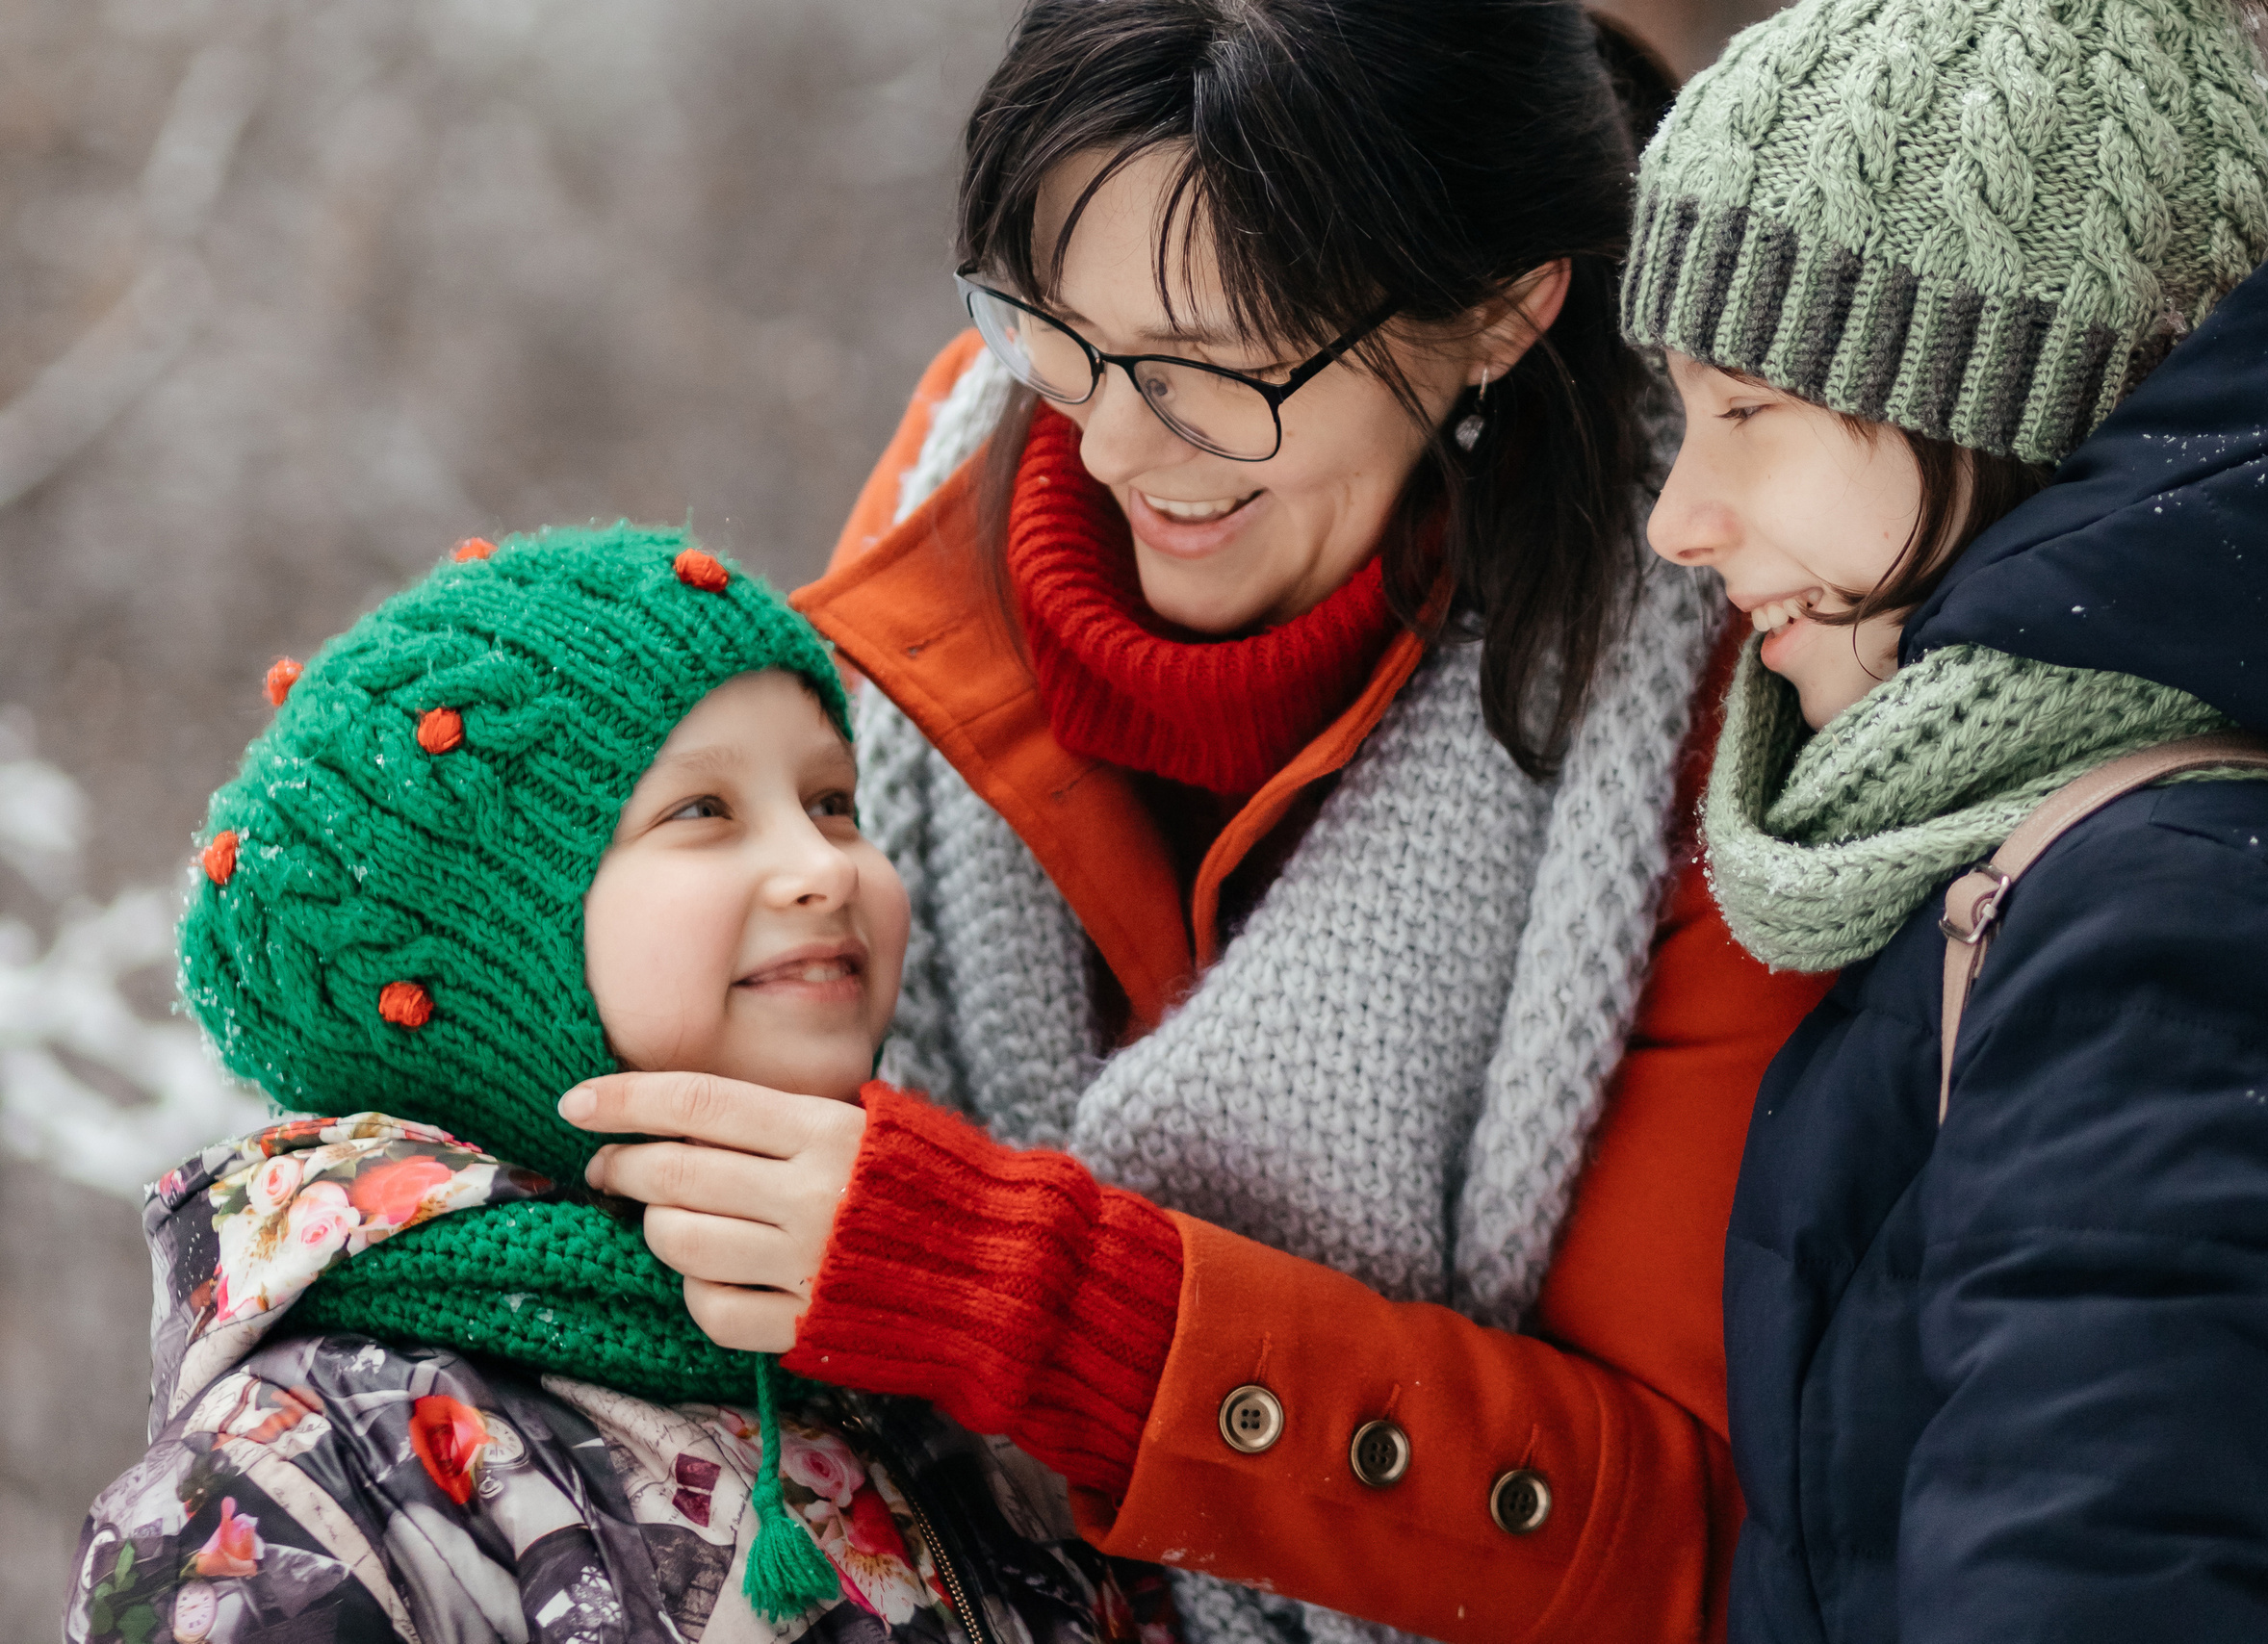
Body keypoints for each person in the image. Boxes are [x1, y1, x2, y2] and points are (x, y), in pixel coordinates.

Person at [554, 4, 1833, 1642]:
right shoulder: (970, 461)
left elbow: (1685, 1539)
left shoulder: (1708, 678)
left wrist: (1033, 1304)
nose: (1112, 441)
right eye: (1056, 325)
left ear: (1502, 313)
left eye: (1224, 365)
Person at [1622, 0, 2268, 1635]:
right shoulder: (2121, 845)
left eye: (1748, 411)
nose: (1679, 517)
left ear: (1996, 402)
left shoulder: (2179, 919)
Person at [66, 525, 1177, 1644]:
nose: (824, 864)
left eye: (835, 802)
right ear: (488, 942)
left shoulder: (932, 1363)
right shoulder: (315, 1470)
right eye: (703, 813)